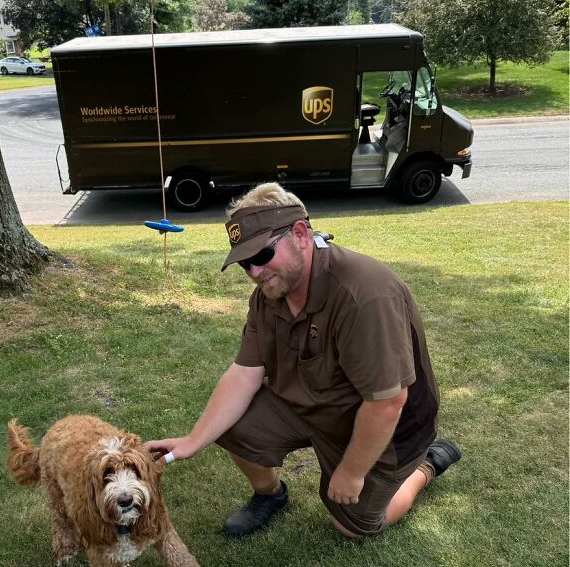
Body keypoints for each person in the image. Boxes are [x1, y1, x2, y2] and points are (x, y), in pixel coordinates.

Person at [145, 183, 461, 539]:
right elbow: (244, 373)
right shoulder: (269, 294)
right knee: (230, 427)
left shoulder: (364, 295)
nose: (254, 272)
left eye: (262, 256)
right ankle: (270, 496)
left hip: (380, 425)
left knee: (353, 526)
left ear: (300, 234)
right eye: (244, 262)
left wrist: (352, 471)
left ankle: (427, 465)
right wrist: (193, 440)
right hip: (311, 402)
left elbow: (388, 402)